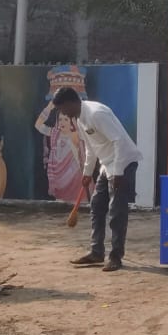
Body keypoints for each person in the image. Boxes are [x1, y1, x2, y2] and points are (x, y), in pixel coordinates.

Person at [55, 88, 143, 272]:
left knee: (117, 211)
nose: (62, 113)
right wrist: (87, 172)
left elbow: (118, 141)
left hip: (123, 162)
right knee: (96, 205)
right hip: (106, 164)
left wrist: (118, 172)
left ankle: (115, 257)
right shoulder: (80, 119)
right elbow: (91, 147)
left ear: (71, 103)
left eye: (62, 108)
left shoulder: (96, 114)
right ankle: (96, 252)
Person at [35, 93, 85, 203]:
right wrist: (49, 108)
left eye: (66, 119)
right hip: (59, 183)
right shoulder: (54, 133)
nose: (62, 122)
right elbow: (38, 125)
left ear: (72, 122)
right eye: (60, 119)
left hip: (75, 181)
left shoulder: (76, 135)